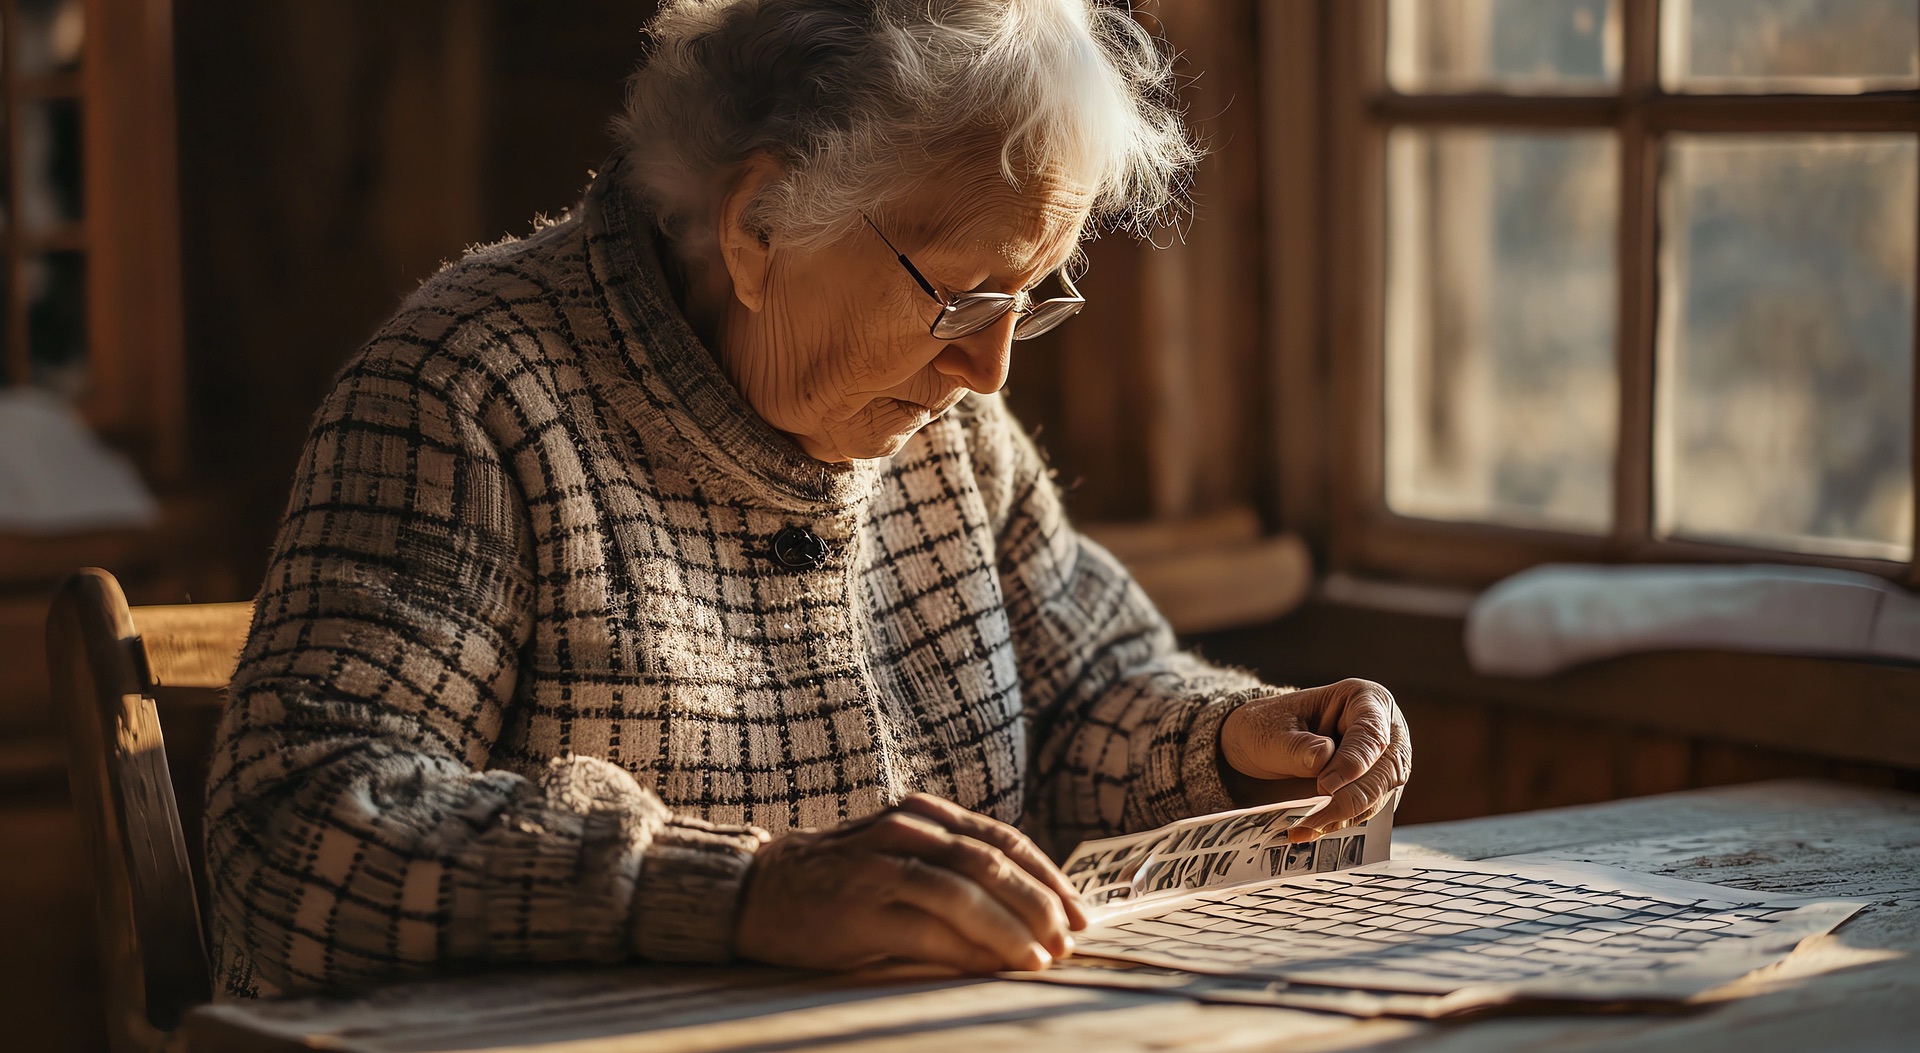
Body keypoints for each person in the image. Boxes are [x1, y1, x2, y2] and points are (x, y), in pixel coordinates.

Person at [204, 0, 1411, 998]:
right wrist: (739, 891)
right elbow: (292, 830)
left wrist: (1236, 743)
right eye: (957, 296)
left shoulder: (949, 431)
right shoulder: (471, 395)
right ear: (760, 224)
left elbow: (1088, 692)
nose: (990, 370)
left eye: (1028, 297)